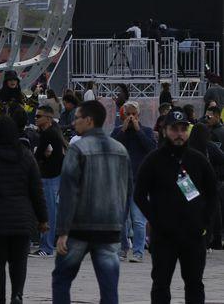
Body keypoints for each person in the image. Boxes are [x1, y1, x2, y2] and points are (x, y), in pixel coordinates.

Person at [134, 108, 218, 304]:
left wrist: (205, 223)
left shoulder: (198, 160)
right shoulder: (153, 160)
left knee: (195, 284)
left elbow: (212, 194)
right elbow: (139, 195)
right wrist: (155, 220)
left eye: (183, 129)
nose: (179, 134)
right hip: (164, 237)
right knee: (161, 285)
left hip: (193, 236)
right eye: (174, 129)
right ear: (164, 131)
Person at [52, 100, 131, 304]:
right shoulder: (120, 149)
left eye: (77, 118)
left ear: (89, 120)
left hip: (80, 226)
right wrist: (120, 223)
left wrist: (62, 231)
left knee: (61, 279)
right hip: (110, 227)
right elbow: (126, 190)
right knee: (109, 287)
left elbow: (69, 191)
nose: (74, 122)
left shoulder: (78, 149)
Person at [0, 116, 48, 304]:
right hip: (21, 219)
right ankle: (17, 294)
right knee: (19, 263)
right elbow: (36, 190)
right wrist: (43, 218)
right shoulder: (26, 156)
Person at [110, 99, 156, 263]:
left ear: (138, 115)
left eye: (133, 114)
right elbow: (112, 148)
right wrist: (123, 130)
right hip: (121, 180)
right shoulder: (117, 131)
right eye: (127, 114)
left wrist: (138, 130)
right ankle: (123, 249)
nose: (130, 117)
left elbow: (151, 149)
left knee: (138, 219)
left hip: (139, 180)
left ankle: (138, 251)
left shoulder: (147, 131)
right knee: (120, 219)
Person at [32, 103, 66, 257]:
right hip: (54, 176)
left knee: (48, 213)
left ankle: (46, 247)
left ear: (48, 118)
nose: (36, 118)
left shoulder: (47, 133)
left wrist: (43, 159)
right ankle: (47, 245)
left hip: (49, 177)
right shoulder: (54, 131)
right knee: (52, 212)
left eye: (39, 116)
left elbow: (37, 155)